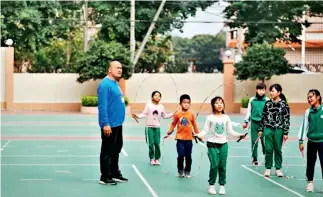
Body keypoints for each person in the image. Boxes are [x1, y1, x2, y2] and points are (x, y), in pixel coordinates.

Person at [195, 96, 247, 195]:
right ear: (213, 105)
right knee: (214, 165)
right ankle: (211, 185)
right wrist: (198, 135)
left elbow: (230, 131)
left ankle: (222, 185)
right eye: (217, 103)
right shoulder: (209, 117)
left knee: (222, 166)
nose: (219, 105)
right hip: (212, 144)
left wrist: (239, 135)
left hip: (224, 145)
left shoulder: (226, 117)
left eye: (221, 103)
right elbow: (205, 130)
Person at [97, 61, 128, 185]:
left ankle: (115, 173)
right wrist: (105, 124)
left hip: (118, 124)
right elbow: (102, 106)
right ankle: (105, 176)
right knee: (107, 151)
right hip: (109, 125)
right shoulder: (105, 85)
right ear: (110, 70)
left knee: (116, 149)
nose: (120, 70)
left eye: (121, 68)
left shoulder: (115, 83)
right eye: (117, 68)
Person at [132, 91, 174, 165]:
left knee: (157, 143)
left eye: (159, 96)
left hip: (157, 128)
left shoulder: (161, 106)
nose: (157, 97)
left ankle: (157, 159)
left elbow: (164, 116)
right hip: (149, 128)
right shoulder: (148, 105)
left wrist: (172, 114)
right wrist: (137, 116)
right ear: (152, 97)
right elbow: (144, 114)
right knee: (151, 144)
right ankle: (152, 158)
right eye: (155, 95)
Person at [164, 94, 200, 178]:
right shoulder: (177, 114)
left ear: (190, 104)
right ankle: (180, 171)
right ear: (180, 104)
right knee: (180, 155)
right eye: (184, 102)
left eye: (188, 103)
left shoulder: (191, 114)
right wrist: (168, 132)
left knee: (188, 156)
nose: (186, 104)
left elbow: (195, 125)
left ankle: (187, 171)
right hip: (180, 139)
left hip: (189, 139)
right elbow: (173, 124)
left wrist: (198, 135)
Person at [258, 84, 290, 178]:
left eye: (273, 91)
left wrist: (286, 132)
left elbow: (286, 119)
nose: (271, 93)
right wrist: (260, 129)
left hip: (279, 130)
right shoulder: (267, 104)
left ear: (279, 92)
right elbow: (263, 117)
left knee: (278, 149)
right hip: (268, 129)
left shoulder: (284, 104)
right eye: (270, 91)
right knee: (268, 149)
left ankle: (278, 168)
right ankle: (268, 168)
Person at [298, 89, 323, 192]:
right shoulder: (308, 111)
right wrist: (300, 141)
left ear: (318, 97)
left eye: (311, 97)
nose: (309, 99)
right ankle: (310, 183)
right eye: (308, 97)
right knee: (310, 163)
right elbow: (304, 127)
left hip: (322, 142)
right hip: (311, 142)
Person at [242, 83, 269, 166]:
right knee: (254, 142)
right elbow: (249, 111)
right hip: (254, 123)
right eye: (259, 89)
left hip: (264, 124)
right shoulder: (252, 100)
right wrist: (246, 121)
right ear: (256, 90)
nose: (261, 91)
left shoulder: (267, 100)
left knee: (264, 142)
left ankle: (266, 156)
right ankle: (255, 159)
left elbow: (269, 113)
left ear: (265, 90)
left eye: (263, 90)